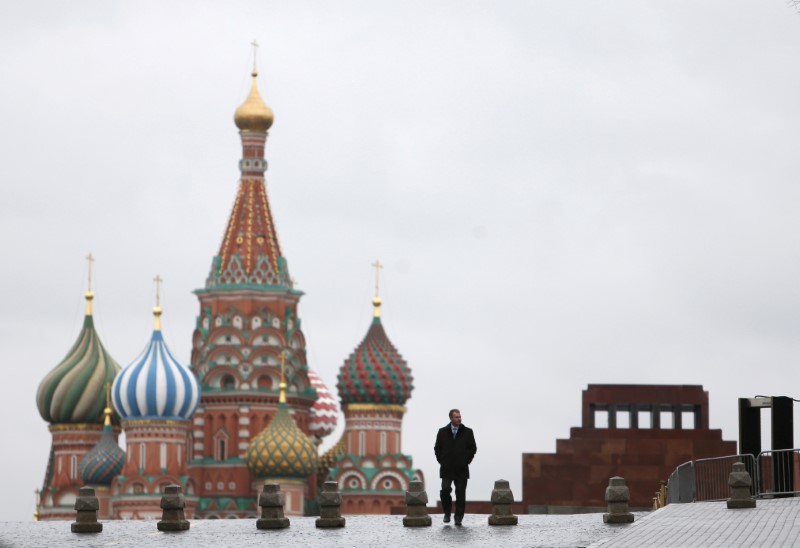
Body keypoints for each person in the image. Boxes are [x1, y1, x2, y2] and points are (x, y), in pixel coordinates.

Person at [434, 408, 477, 525]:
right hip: (447, 468)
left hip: (461, 469)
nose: (459, 419)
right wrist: (442, 461)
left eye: (460, 417)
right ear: (451, 418)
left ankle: (458, 517)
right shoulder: (442, 432)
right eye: (456, 417)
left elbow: (473, 448)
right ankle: (447, 513)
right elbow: (437, 448)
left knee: (460, 493)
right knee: (445, 490)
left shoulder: (468, 432)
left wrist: (466, 461)